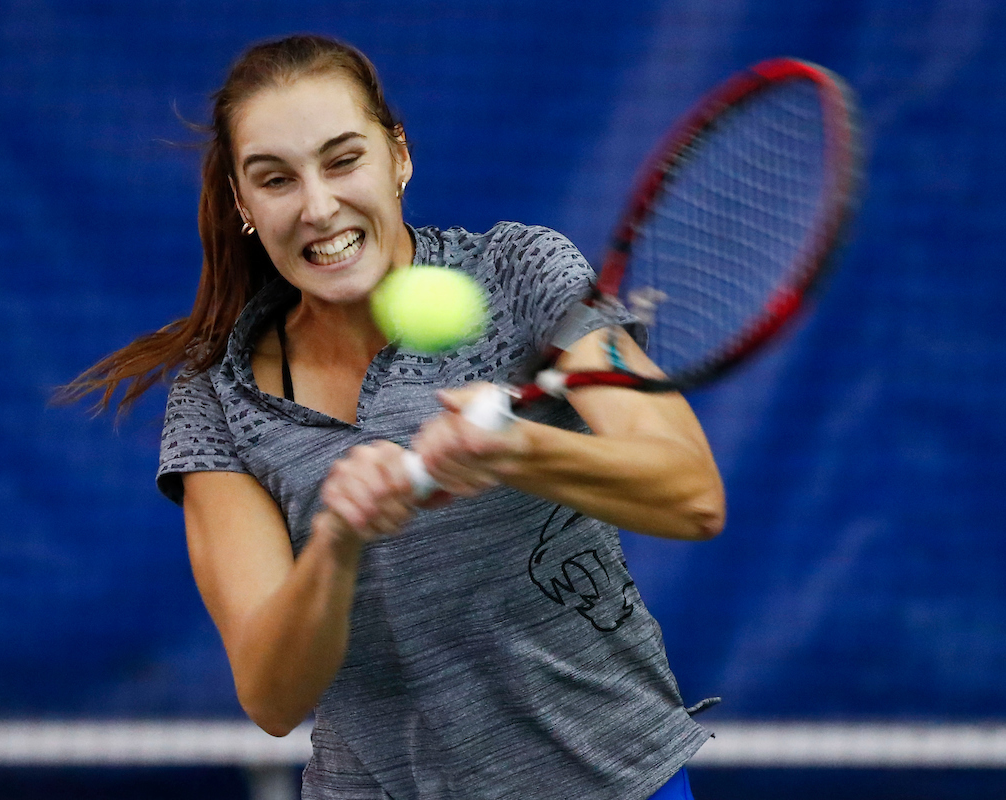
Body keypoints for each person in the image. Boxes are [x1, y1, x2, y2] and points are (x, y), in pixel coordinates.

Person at [66, 34, 725, 800]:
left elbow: (692, 494)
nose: (318, 206)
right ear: (244, 207)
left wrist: (515, 449)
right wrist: (337, 545)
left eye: (343, 160)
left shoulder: (522, 275)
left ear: (398, 156)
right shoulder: (216, 396)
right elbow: (271, 698)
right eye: (276, 179)